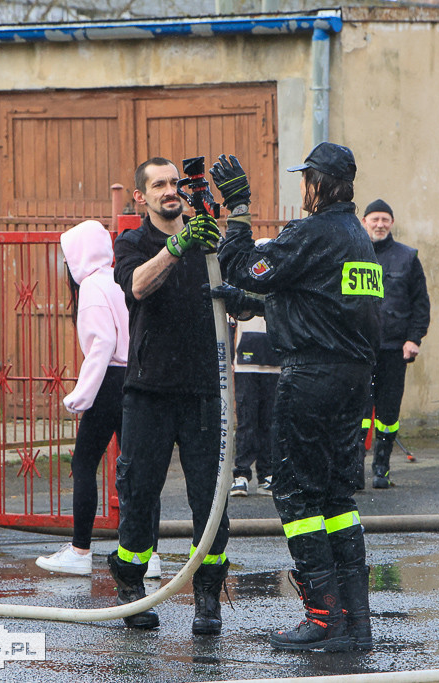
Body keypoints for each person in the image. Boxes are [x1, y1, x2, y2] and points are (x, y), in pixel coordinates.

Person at [215, 143, 381, 652]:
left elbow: (243, 267)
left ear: (319, 184)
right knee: (336, 497)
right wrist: (251, 304)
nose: (302, 189)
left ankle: (323, 618)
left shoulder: (312, 232)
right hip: (352, 379)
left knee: (296, 495)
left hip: (310, 378)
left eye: (306, 179)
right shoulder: (357, 238)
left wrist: (237, 211)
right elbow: (321, 303)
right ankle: (354, 621)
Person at [108, 156, 256, 633]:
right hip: (148, 391)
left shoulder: (208, 240)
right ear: (141, 197)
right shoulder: (132, 243)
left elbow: (243, 291)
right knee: (139, 493)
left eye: (174, 183)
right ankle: (132, 587)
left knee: (210, 499)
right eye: (159, 185)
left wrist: (234, 223)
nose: (170, 190)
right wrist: (177, 245)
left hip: (203, 392)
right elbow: (138, 286)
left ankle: (207, 595)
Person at [35, 220, 161, 579]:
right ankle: (149, 555)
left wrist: (81, 395)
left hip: (109, 382)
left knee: (84, 463)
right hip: (136, 378)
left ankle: (80, 551)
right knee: (138, 470)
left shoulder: (91, 285)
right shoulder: (121, 277)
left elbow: (102, 344)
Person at [361, 199, 430, 489]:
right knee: (358, 413)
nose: (379, 224)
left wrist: (413, 339)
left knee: (387, 414)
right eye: (374, 219)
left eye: (384, 219)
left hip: (393, 349)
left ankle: (382, 468)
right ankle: (353, 470)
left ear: (392, 223)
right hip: (359, 350)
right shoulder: (354, 255)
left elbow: (420, 303)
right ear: (365, 222)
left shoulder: (407, 258)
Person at [229, 241, 280, 498]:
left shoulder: (281, 283)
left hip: (275, 365)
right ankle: (241, 474)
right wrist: (230, 357)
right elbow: (229, 322)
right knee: (247, 421)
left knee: (270, 421)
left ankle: (267, 474)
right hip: (246, 365)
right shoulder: (243, 283)